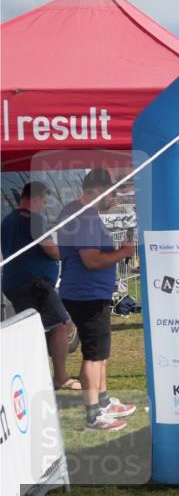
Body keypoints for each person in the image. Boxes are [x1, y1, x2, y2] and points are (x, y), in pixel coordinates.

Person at [56, 169, 137, 431]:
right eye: (113, 193)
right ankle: (93, 415)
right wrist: (124, 251)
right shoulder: (84, 217)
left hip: (90, 293)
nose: (115, 199)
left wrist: (117, 252)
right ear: (98, 190)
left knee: (101, 352)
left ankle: (102, 403)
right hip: (86, 294)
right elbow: (91, 260)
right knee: (93, 354)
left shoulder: (83, 214)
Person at [1, 182, 78, 390]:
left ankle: (32, 374)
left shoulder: (7, 220)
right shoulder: (34, 220)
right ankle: (60, 377)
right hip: (34, 284)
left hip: (14, 282)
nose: (44, 206)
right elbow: (51, 250)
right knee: (62, 324)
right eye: (43, 201)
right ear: (33, 199)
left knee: (33, 329)